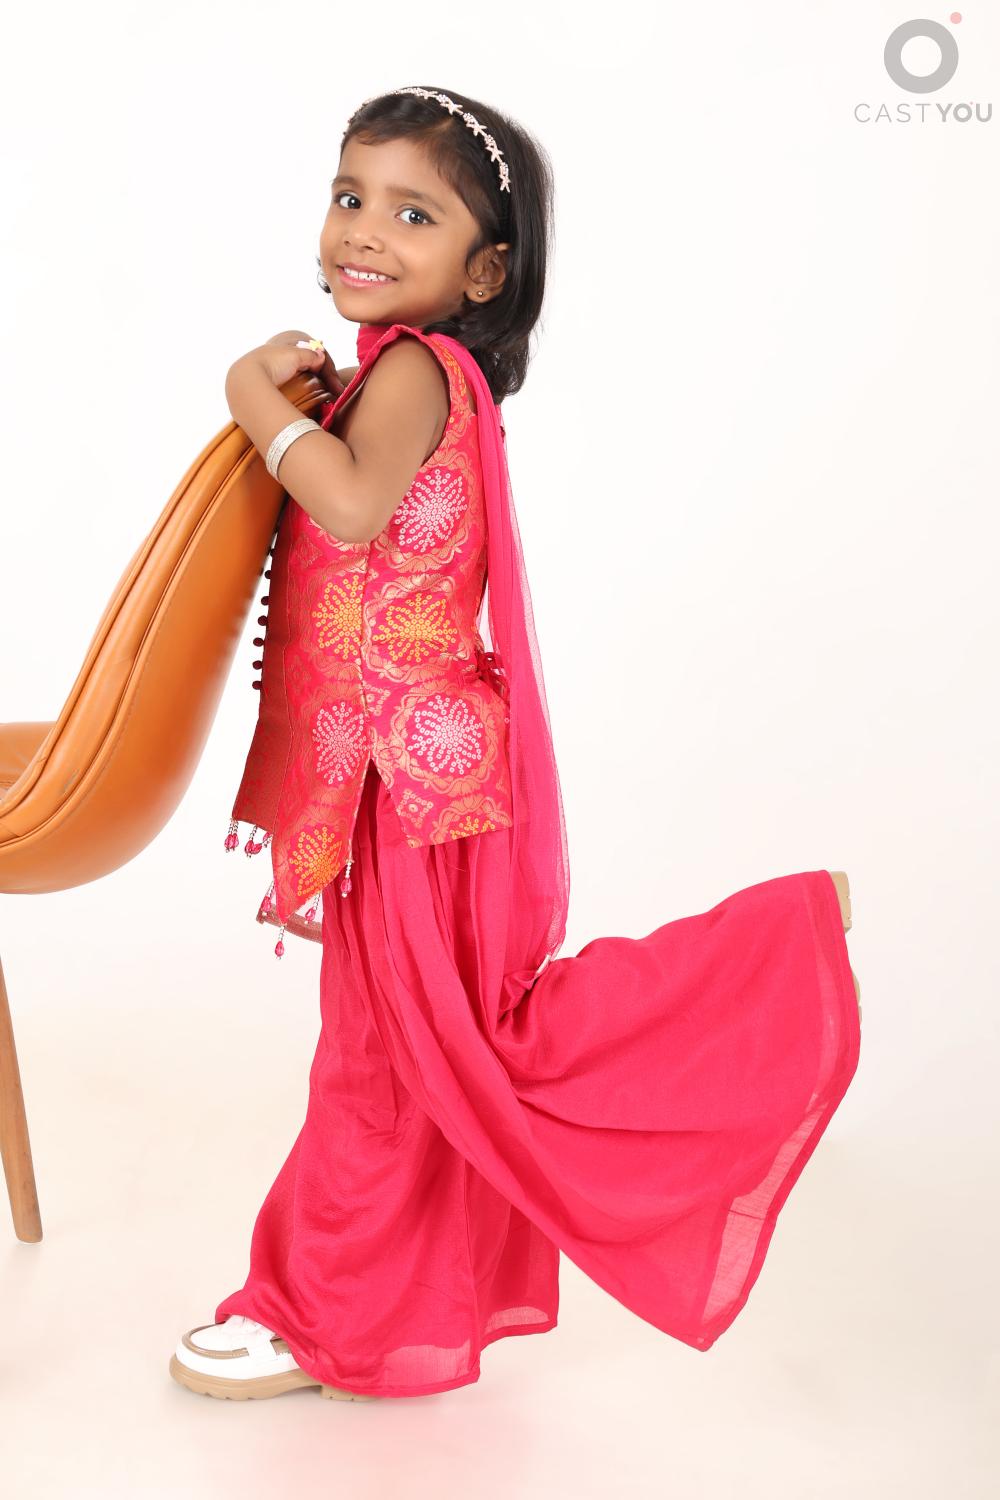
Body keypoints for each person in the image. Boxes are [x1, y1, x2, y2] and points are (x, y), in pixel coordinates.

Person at [169, 85, 862, 1404]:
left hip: (415, 787)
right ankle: (363, 1304)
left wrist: (250, 395)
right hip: (417, 779)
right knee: (434, 1054)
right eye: (350, 196)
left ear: (485, 271)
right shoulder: (400, 371)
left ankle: (323, 1315)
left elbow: (352, 507)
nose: (364, 231)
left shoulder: (416, 369)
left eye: (413, 214)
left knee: (407, 1058)